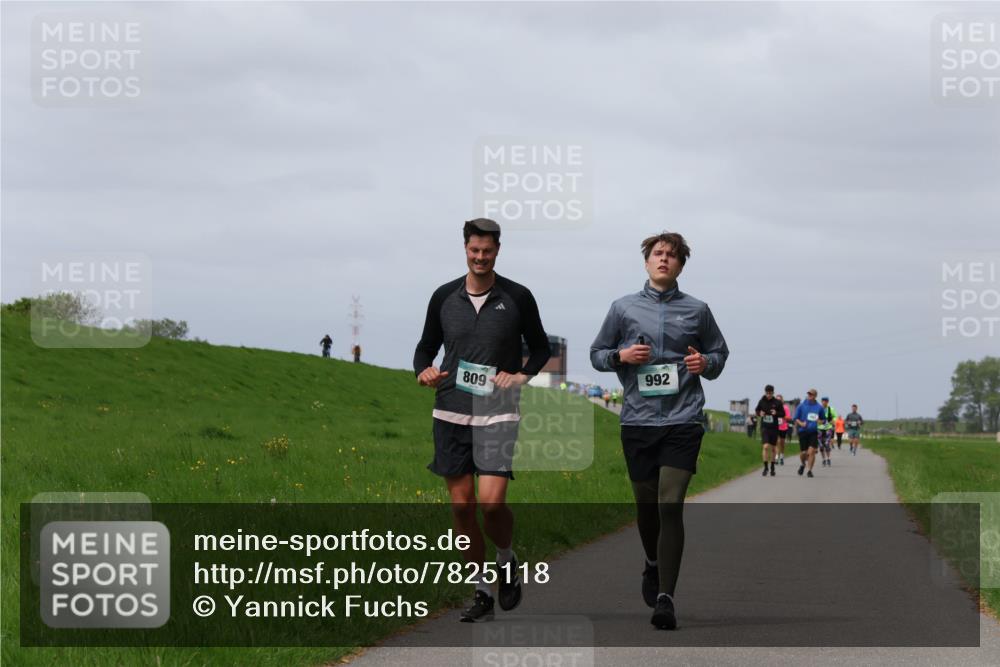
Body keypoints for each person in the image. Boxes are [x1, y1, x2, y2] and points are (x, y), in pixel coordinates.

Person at [413, 218, 550, 623]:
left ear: (497, 251)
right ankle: (481, 591)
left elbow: (542, 348)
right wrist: (423, 370)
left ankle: (506, 559)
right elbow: (424, 348)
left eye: (487, 251)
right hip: (450, 409)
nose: (480, 257)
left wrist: (521, 375)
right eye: (474, 250)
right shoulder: (443, 297)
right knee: (461, 507)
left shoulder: (518, 297)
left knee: (491, 504)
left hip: (497, 411)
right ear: (466, 249)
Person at [591, 231, 729, 630]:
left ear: (681, 264)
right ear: (647, 261)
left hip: (684, 419)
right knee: (647, 508)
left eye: (671, 255)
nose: (664, 259)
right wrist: (621, 355)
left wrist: (706, 363)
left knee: (671, 504)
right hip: (637, 420)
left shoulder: (698, 310)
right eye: (657, 254)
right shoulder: (623, 308)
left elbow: (720, 353)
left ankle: (666, 598)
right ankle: (651, 562)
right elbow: (597, 354)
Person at [755, 384, 783, 477]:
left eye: (770, 393)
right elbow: (757, 410)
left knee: (774, 448)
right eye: (767, 393)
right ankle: (765, 467)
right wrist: (760, 413)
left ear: (773, 393)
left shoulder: (777, 402)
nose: (768, 395)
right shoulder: (761, 401)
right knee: (766, 447)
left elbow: (782, 413)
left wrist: (776, 413)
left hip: (774, 428)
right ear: (765, 392)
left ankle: (772, 467)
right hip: (765, 427)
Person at [794, 389, 823, 477]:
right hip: (803, 432)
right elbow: (796, 418)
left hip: (813, 432)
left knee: (812, 451)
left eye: (812, 394)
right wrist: (801, 423)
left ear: (815, 396)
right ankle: (803, 464)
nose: (810, 395)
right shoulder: (801, 406)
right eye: (809, 394)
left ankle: (809, 470)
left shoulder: (819, 407)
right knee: (803, 453)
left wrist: (820, 421)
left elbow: (823, 419)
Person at [817, 396, 838, 467]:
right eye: (823, 401)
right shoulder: (818, 409)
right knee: (821, 446)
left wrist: (833, 421)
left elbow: (835, 417)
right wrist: (817, 420)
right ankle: (823, 459)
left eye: (825, 401)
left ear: (827, 402)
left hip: (828, 428)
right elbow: (815, 416)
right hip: (819, 428)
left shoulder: (830, 409)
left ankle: (828, 458)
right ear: (821, 401)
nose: (824, 402)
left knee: (827, 444)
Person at [776, 393, 790, 465]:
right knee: (777, 441)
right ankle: (776, 457)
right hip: (775, 427)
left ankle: (781, 456)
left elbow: (788, 417)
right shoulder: (774, 407)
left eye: (779, 400)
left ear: (782, 400)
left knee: (782, 443)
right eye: (777, 399)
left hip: (783, 427)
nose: (778, 401)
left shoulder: (785, 408)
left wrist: (782, 416)